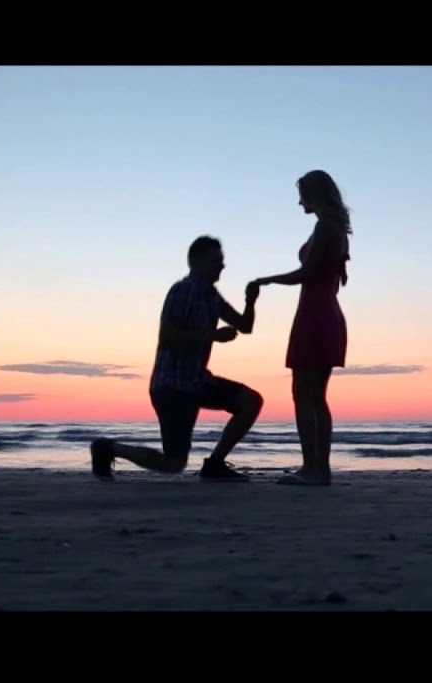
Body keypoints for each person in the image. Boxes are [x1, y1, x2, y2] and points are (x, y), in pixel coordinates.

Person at [90, 235, 263, 482]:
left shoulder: (211, 295)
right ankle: (108, 448)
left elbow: (244, 326)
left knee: (250, 401)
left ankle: (215, 464)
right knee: (173, 463)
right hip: (173, 386)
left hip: (197, 381)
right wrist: (212, 335)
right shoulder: (184, 291)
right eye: (216, 261)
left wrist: (250, 301)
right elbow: (168, 337)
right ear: (197, 261)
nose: (222, 266)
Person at [252, 170, 350, 486]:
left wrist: (266, 280)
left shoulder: (325, 227)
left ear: (315, 195)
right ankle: (320, 468)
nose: (299, 202)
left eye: (302, 195)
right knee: (315, 396)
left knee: (304, 393)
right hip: (323, 314)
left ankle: (312, 467)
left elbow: (306, 273)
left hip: (316, 315)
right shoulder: (336, 228)